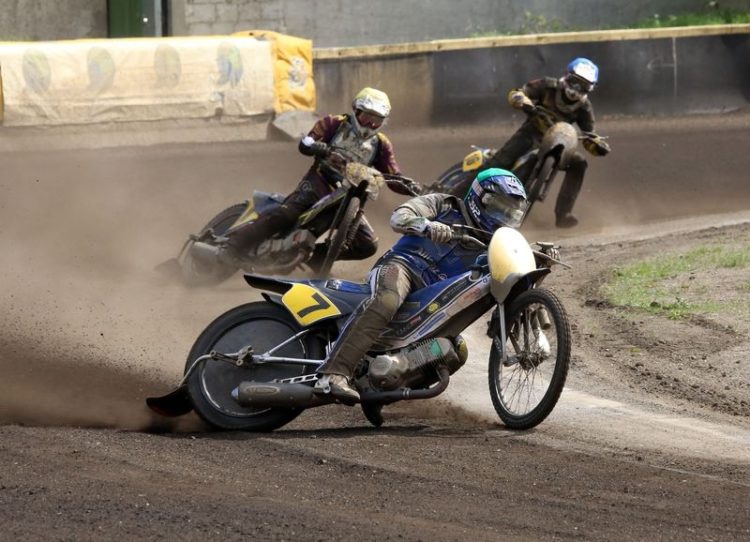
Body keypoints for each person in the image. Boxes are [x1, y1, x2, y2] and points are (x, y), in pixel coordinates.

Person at [314, 167, 529, 401]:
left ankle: (380, 392)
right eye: (498, 208)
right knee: (387, 299)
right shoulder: (443, 204)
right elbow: (399, 217)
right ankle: (333, 373)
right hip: (402, 266)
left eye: (510, 214)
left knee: (451, 351)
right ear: (480, 197)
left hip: (432, 295)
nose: (502, 218)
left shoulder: (493, 246)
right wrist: (426, 225)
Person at [223, 87, 419, 269]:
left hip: (350, 195)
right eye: (366, 116)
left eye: (375, 120)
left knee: (367, 245)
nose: (369, 124)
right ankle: (232, 247)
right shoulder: (334, 123)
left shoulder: (382, 144)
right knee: (287, 214)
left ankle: (313, 261)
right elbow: (306, 143)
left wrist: (413, 188)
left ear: (383, 121)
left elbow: (393, 176)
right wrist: (319, 147)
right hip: (318, 181)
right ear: (356, 111)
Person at [486, 57, 611, 228]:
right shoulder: (547, 86)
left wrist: (598, 147)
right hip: (531, 135)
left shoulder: (585, 108)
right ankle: (457, 195)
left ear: (590, 89)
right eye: (574, 82)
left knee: (579, 163)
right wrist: (524, 102)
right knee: (499, 163)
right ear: (566, 76)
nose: (576, 90)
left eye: (582, 86)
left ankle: (564, 213)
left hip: (561, 146)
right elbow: (518, 92)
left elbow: (589, 135)